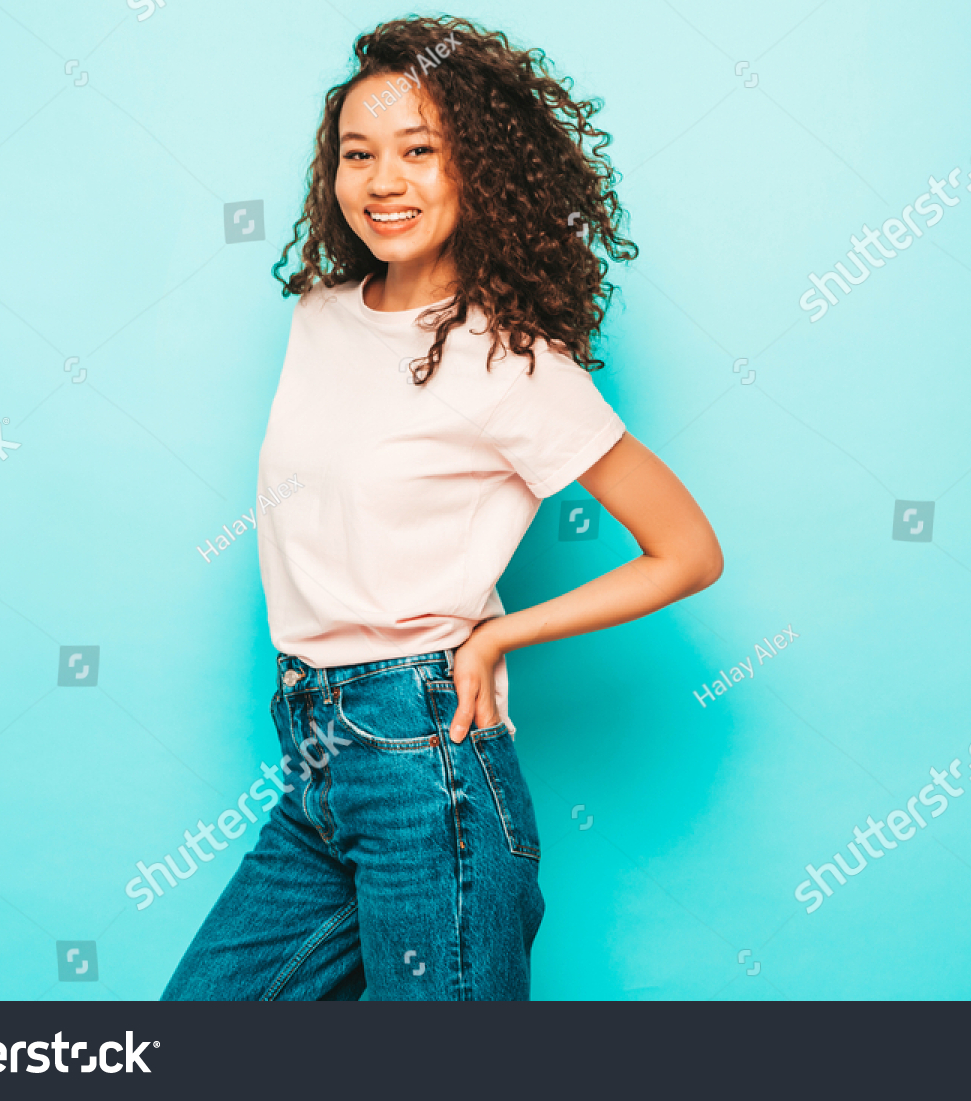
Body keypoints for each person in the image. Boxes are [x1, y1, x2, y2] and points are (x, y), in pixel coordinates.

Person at [162, 15, 722, 1001]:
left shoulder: (511, 360)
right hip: (315, 755)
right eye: (358, 154)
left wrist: (494, 640)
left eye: (420, 152)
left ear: (477, 167)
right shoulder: (322, 316)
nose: (385, 181)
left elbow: (685, 550)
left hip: (430, 759)